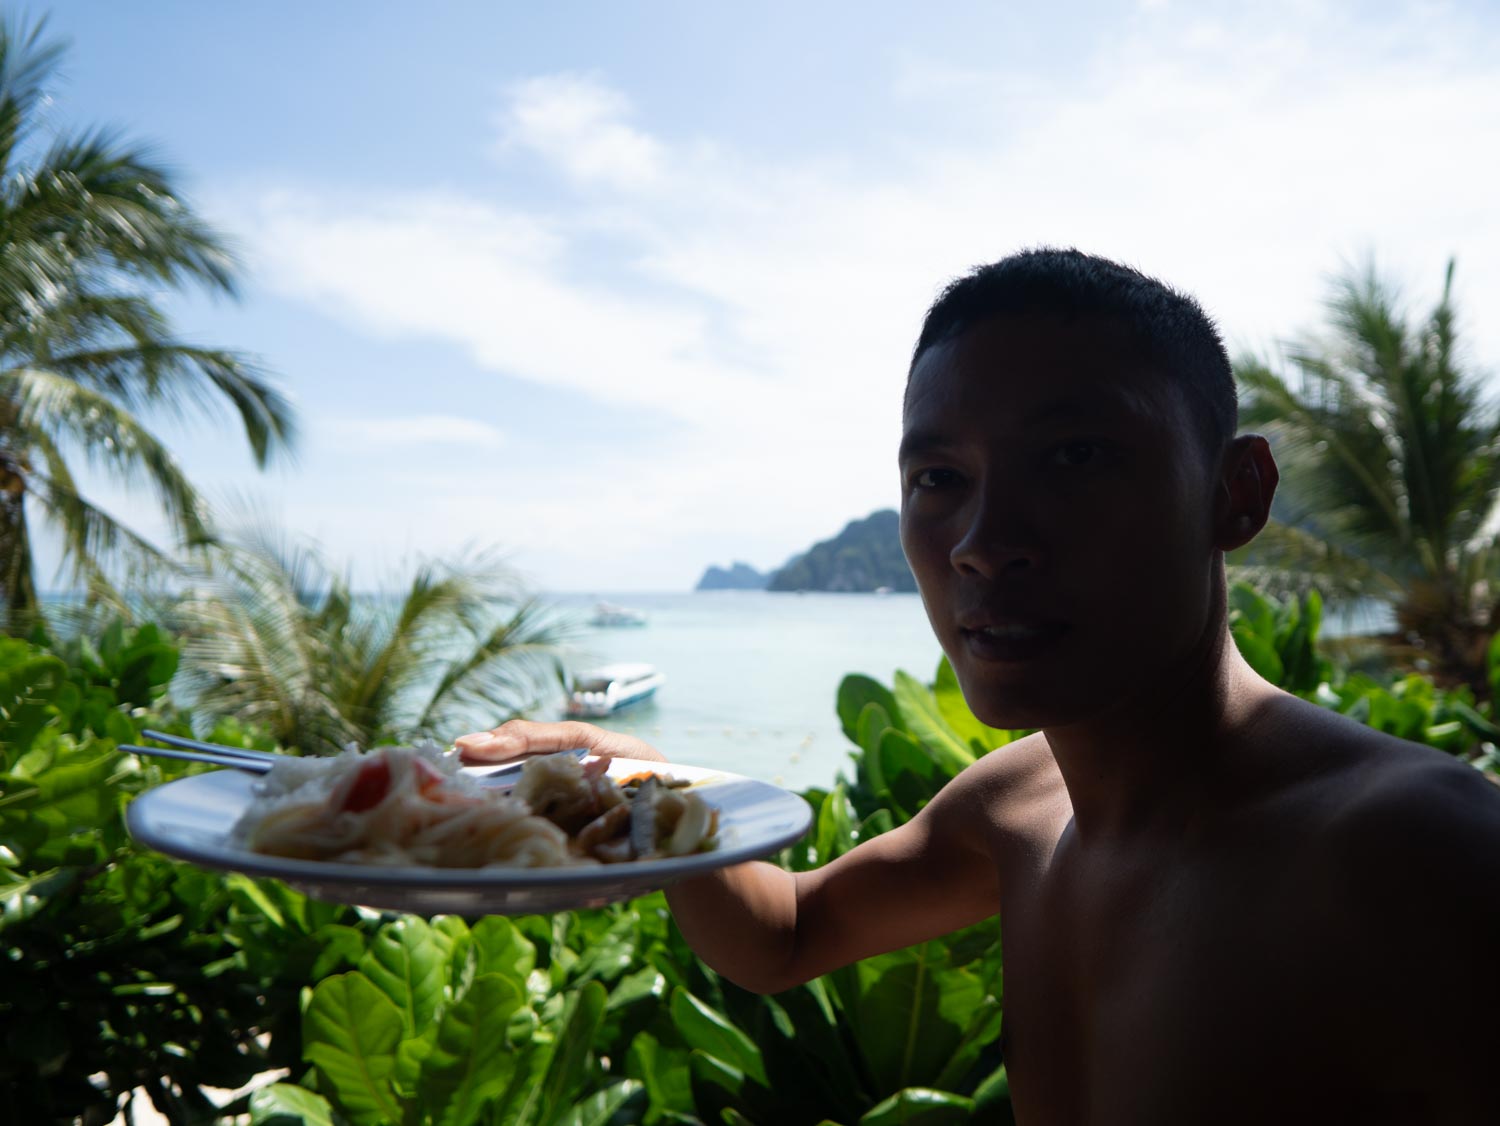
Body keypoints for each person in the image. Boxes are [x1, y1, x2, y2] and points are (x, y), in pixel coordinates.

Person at [457, 248, 1500, 1123]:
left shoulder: (1411, 852)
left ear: (1237, 492)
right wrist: (647, 786)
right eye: (939, 479)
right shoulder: (1022, 809)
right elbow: (785, 934)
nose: (984, 542)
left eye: (1076, 457)